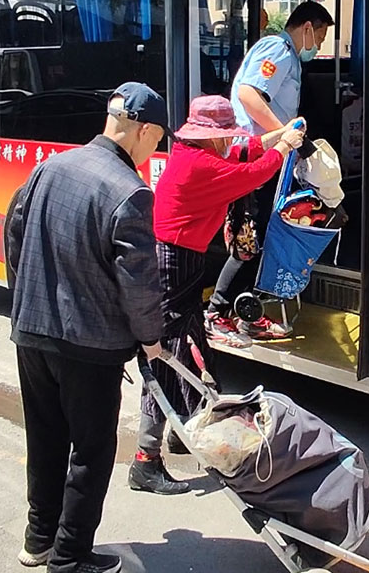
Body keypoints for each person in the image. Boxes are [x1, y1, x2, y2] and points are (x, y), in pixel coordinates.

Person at [5, 82, 170, 573]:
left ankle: (39, 540)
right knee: (92, 452)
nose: (155, 149)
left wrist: (26, 297)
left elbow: (14, 234)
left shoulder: (50, 167)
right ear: (144, 131)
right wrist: (151, 338)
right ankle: (70, 558)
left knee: (45, 438)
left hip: (32, 333)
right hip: (90, 346)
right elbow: (138, 283)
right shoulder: (130, 192)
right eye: (158, 139)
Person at [129, 95, 304, 495]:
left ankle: (188, 430)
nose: (230, 140)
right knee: (168, 355)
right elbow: (254, 172)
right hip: (172, 260)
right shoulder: (201, 165)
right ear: (210, 136)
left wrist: (280, 132)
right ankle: (145, 459)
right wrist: (284, 145)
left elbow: (246, 150)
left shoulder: (194, 153)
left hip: (180, 257)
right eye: (225, 134)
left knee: (191, 346)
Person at [206, 1, 334, 339]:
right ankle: (217, 312)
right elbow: (248, 95)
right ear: (307, 27)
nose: (318, 46)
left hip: (267, 155)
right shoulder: (278, 49)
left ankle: (244, 312)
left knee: (259, 236)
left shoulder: (286, 54)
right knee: (249, 239)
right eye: (320, 37)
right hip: (256, 156)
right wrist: (285, 134)